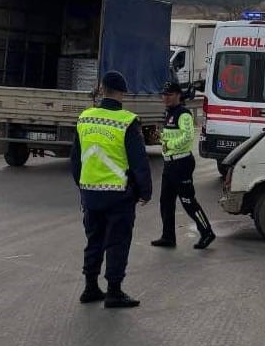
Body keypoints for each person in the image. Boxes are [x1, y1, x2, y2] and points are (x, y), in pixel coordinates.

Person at [70, 70, 151, 309]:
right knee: (117, 241)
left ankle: (90, 287)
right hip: (118, 194)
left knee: (93, 239)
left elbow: (76, 159)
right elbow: (138, 161)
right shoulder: (127, 121)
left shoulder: (85, 118)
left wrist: (83, 183)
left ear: (102, 89)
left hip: (90, 194)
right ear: (122, 93)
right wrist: (145, 191)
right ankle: (114, 291)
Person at [150, 81, 216, 250]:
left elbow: (187, 137)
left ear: (178, 95)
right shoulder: (168, 113)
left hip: (182, 163)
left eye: (169, 95)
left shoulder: (184, 114)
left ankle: (207, 232)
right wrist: (161, 137)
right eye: (164, 95)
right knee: (166, 202)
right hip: (169, 164)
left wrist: (169, 144)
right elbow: (171, 135)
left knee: (187, 201)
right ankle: (168, 237)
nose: (166, 98)